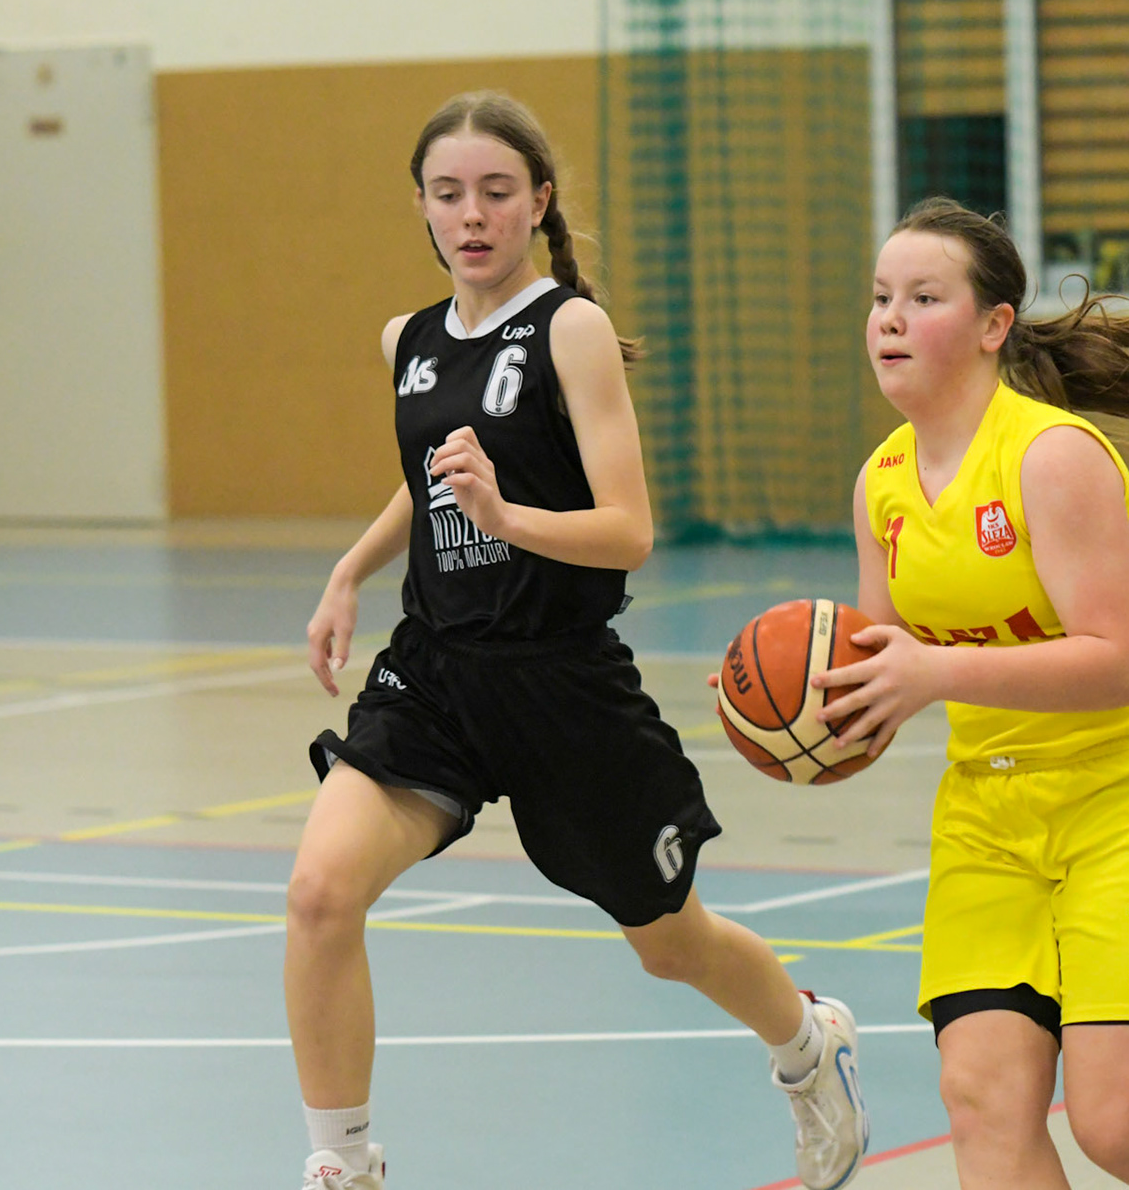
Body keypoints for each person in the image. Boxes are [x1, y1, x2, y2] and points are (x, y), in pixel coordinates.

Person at [287, 91, 868, 1190]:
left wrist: (504, 517)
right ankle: (344, 1162)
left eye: (496, 192)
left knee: (671, 943)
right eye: (449, 194)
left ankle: (807, 1041)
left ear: (539, 200)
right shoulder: (407, 341)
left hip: (563, 680)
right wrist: (347, 570)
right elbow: (428, 479)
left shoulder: (569, 329)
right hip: (438, 675)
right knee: (320, 892)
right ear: (421, 207)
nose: (472, 215)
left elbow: (628, 530)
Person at [816, 196, 1129, 1189]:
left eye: (924, 298)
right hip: (987, 814)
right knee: (982, 1101)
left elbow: (1117, 663)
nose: (890, 320)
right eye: (880, 298)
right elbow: (882, 666)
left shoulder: (1052, 456)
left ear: (993, 325)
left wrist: (934, 671)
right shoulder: (882, 482)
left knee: (1121, 1123)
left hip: (1127, 796)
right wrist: (803, 707)